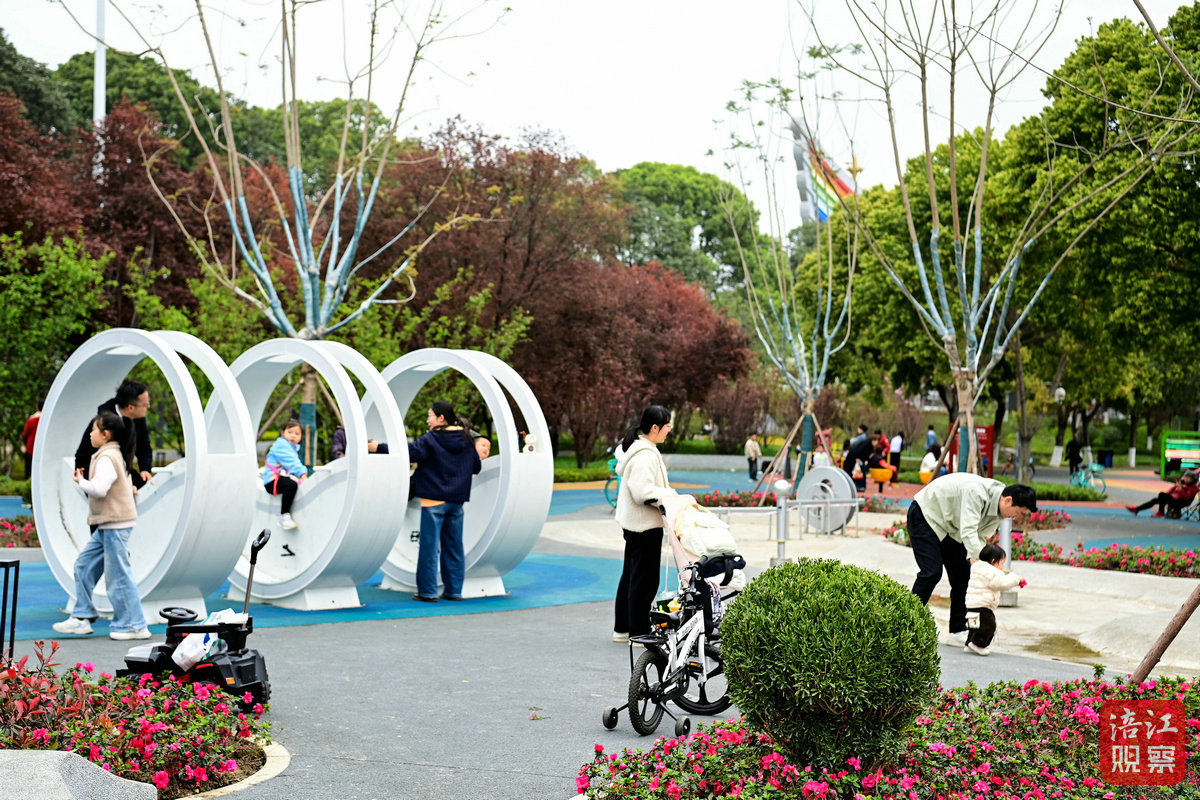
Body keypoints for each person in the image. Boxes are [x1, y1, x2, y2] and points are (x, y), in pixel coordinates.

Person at [907, 472, 1037, 645]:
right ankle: (904, 622)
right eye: (1018, 513)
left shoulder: (999, 511)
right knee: (931, 572)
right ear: (1008, 500)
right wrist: (978, 561)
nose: (1016, 517)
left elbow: (980, 537)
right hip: (926, 515)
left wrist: (982, 565)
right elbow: (968, 530)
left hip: (951, 528)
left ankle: (957, 631)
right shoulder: (976, 493)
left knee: (964, 576)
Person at [53, 411, 150, 640]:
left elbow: (99, 489)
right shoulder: (111, 454)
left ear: (105, 434)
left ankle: (134, 626)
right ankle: (82, 616)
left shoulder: (107, 457)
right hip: (108, 525)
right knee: (84, 566)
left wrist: (81, 481)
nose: (90, 434)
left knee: (119, 576)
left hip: (115, 525)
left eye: (94, 429)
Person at [612, 405, 676, 642]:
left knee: (631, 576)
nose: (669, 429)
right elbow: (642, 492)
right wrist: (670, 496)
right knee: (645, 581)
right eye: (667, 425)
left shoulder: (640, 450)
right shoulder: (645, 455)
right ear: (655, 427)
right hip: (644, 525)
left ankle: (623, 628)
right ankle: (639, 631)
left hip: (635, 524)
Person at [409, 401, 482, 602]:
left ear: (441, 418)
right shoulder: (466, 439)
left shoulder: (431, 438)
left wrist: (378, 447)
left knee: (429, 548)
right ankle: (454, 590)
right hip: (457, 500)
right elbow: (476, 467)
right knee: (454, 547)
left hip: (433, 499)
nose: (428, 420)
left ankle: (427, 591)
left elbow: (411, 452)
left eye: (430, 416)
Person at [75, 380, 153, 488]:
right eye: (145, 404)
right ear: (130, 407)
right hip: (103, 477)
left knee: (147, 487)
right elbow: (83, 456)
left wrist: (145, 469)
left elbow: (144, 446)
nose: (148, 407)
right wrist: (85, 483)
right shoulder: (102, 422)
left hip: (124, 472)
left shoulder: (138, 419)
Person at [963, 543, 1025, 656]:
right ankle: (978, 644)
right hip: (983, 605)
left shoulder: (977, 567)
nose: (1002, 567)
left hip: (972, 603)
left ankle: (969, 644)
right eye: (1001, 563)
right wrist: (1017, 579)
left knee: (975, 626)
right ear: (993, 561)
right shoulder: (990, 571)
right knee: (989, 626)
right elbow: (1001, 583)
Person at [263, 419, 308, 530]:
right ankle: (284, 516)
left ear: (301, 437)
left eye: (297, 433)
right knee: (291, 485)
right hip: (272, 481)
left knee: (297, 484)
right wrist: (303, 474)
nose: (293, 435)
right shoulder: (281, 445)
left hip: (280, 477)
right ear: (283, 433)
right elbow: (292, 462)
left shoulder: (291, 447)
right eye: (290, 432)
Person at [1126, 471, 1199, 518]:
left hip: (1181, 502)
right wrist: (1175, 487)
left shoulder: (1194, 487)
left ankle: (1161, 512)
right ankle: (1136, 509)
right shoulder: (1183, 483)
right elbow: (1170, 491)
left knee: (1162, 495)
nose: (1185, 479)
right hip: (1173, 498)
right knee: (1156, 499)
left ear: (1192, 479)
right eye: (1185, 477)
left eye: (1187, 478)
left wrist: (1180, 488)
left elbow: (1186, 497)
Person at [21, 400, 41, 479]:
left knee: (29, 471)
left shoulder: (31, 420)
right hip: (41, 449)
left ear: (37, 407)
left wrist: (25, 445)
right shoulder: (47, 420)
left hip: (31, 448)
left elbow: (25, 434)